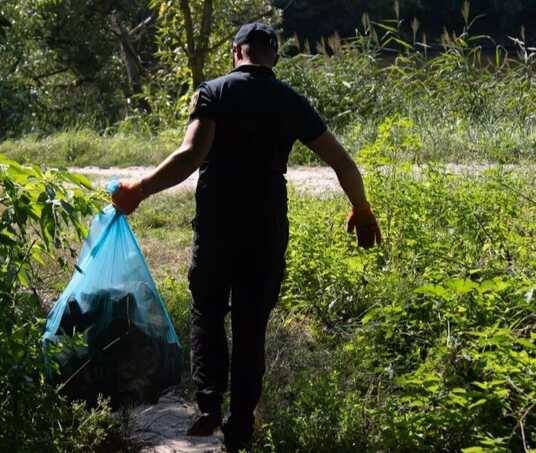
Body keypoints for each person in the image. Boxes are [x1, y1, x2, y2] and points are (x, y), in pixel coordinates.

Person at [112, 22, 381, 452]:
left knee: (207, 310)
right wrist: (362, 209)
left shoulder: (214, 91)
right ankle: (240, 427)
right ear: (272, 56)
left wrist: (139, 191)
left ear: (237, 52)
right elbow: (343, 163)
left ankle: (208, 405)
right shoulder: (291, 101)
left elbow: (190, 156)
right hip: (267, 229)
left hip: (218, 225)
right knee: (252, 325)